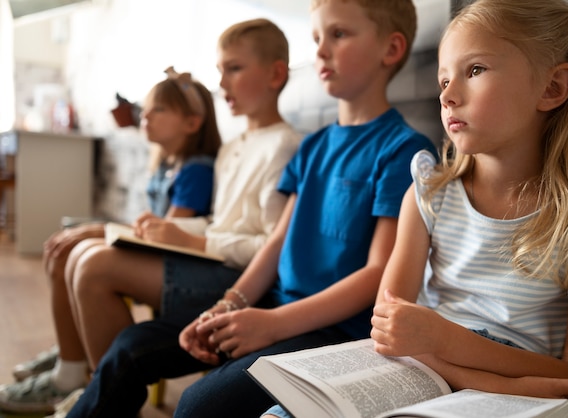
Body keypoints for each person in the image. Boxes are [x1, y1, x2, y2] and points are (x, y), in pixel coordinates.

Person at [65, 1, 437, 416]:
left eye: (339, 34)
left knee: (197, 406)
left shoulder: (403, 150)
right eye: (316, 38)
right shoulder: (313, 146)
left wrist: (272, 325)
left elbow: (377, 276)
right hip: (273, 308)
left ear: (391, 49)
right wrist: (229, 305)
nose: (320, 50)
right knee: (129, 349)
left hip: (334, 334)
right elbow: (278, 241)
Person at [367, 0, 568, 415]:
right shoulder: (428, 195)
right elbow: (388, 327)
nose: (448, 95)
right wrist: (447, 354)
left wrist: (446, 345)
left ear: (552, 88)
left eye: (474, 70)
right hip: (423, 375)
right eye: (443, 79)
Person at [0, 67, 220, 414]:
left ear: (192, 123)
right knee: (65, 243)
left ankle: (92, 383)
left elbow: (166, 237)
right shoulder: (167, 165)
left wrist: (99, 231)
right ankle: (71, 361)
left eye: (158, 109)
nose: (145, 115)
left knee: (86, 253)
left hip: (181, 262)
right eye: (146, 108)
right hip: (163, 256)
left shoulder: (196, 170)